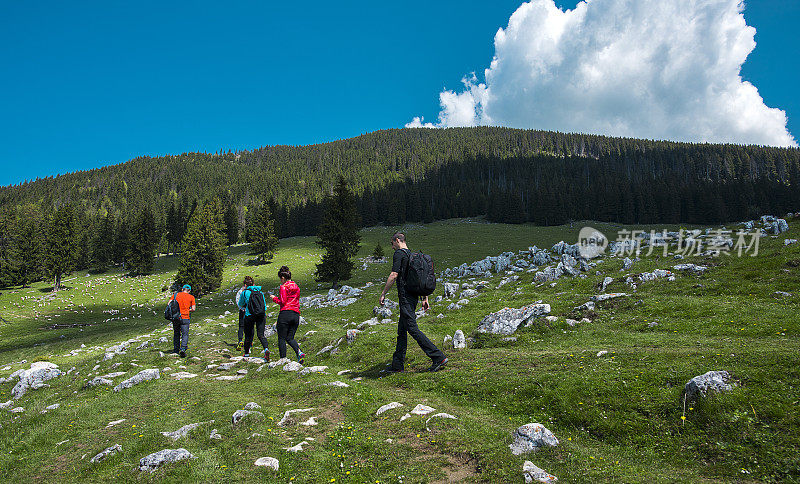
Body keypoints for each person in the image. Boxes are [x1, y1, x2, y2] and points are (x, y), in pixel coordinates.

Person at [379, 232, 447, 372]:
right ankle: (397, 365)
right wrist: (425, 298)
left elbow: (394, 275)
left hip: (405, 297)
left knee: (412, 329)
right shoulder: (411, 255)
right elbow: (418, 278)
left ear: (397, 240)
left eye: (392, 244)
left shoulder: (399, 254)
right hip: (413, 297)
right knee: (402, 331)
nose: (392, 247)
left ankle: (438, 357)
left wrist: (383, 293)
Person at [268, 266, 305, 364]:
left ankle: (283, 359)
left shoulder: (283, 287)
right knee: (290, 338)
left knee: (281, 338)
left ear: (283, 278)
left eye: (280, 278)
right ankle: (299, 352)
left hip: (285, 313)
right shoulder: (296, 286)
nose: (280, 281)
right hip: (296, 314)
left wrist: (274, 298)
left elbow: (283, 301)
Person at [238, 276, 271, 361]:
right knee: (261, 335)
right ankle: (266, 349)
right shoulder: (259, 292)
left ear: (245, 285)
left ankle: (246, 353)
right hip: (261, 315)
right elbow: (264, 305)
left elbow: (240, 304)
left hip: (249, 315)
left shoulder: (245, 293)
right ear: (253, 284)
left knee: (248, 335)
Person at [172, 284, 196, 358]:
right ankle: (182, 349)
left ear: (182, 289)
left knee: (176, 333)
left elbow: (169, 303)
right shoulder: (191, 297)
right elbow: (193, 309)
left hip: (176, 317)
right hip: (185, 317)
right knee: (184, 334)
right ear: (189, 290)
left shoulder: (175, 295)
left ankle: (176, 349)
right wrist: (188, 310)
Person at [235, 285, 246, 352]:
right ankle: (249, 342)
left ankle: (240, 340)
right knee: (249, 326)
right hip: (249, 311)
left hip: (242, 311)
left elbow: (237, 300)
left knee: (241, 326)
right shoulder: (250, 291)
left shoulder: (240, 292)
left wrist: (241, 308)